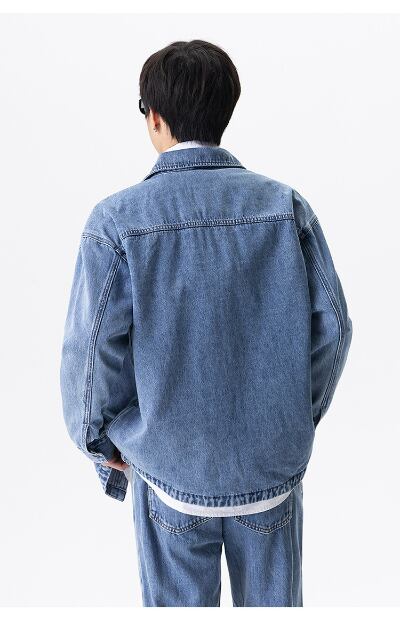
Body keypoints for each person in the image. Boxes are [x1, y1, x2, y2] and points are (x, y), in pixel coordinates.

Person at [59, 39, 353, 607]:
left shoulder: (116, 221)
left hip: (168, 465)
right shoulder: (285, 206)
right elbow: (334, 327)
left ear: (154, 117)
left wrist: (99, 439)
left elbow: (90, 352)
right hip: (270, 470)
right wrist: (290, 413)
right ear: (225, 111)